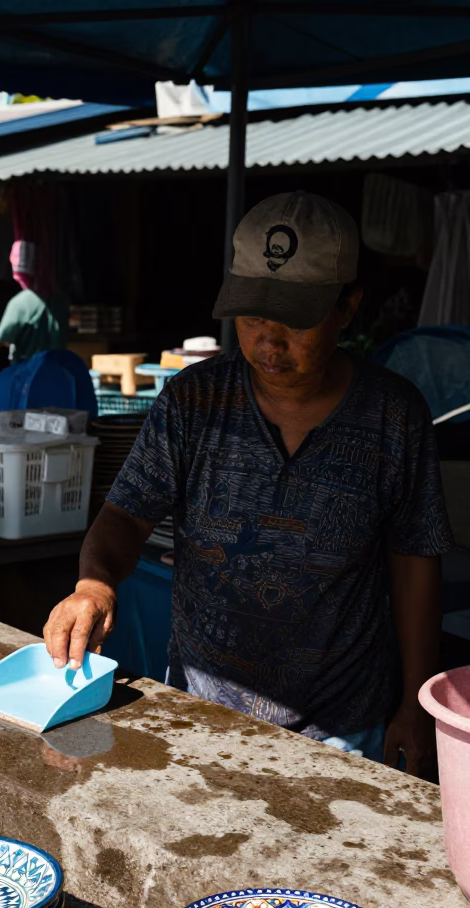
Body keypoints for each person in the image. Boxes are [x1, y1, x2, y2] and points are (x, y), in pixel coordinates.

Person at [43, 191, 453, 777]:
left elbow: (415, 561)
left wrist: (418, 703)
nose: (268, 339)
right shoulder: (194, 400)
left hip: (344, 726)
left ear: (349, 306)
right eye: (254, 315)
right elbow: (126, 516)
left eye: (294, 319)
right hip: (200, 712)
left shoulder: (393, 416)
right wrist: (95, 584)